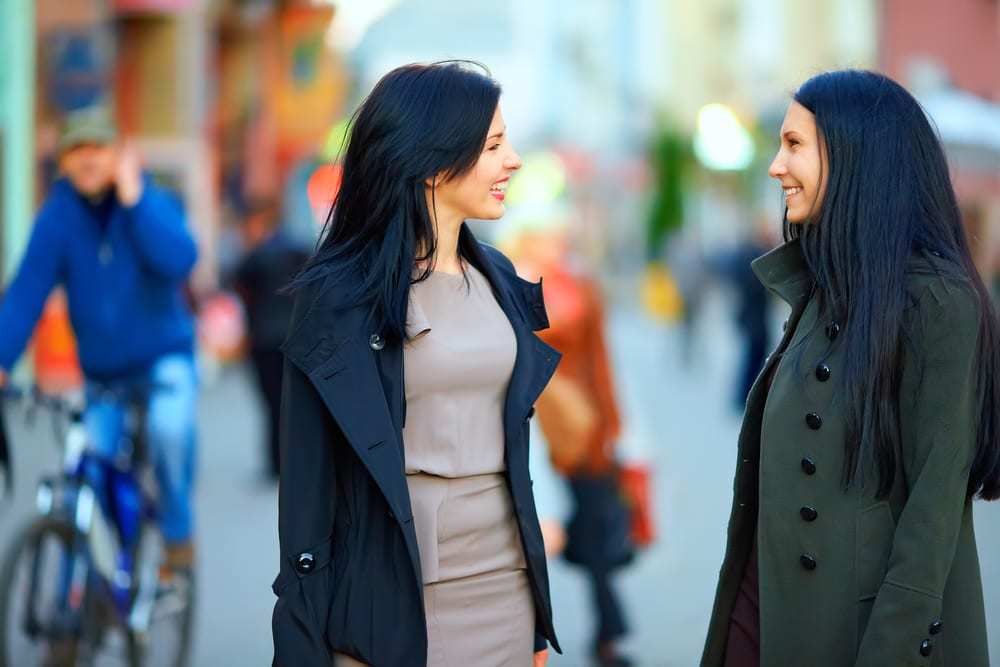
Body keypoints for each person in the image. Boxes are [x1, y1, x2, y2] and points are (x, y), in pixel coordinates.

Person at [702, 70, 1000, 667]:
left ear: (856, 155)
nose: (775, 166)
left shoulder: (938, 302)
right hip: (765, 612)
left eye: (793, 145)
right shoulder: (823, 289)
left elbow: (932, 517)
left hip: (860, 634)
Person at [271, 62, 561, 667]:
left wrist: (536, 624)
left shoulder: (500, 281)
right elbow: (307, 491)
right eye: (493, 146)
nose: (513, 161)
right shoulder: (339, 300)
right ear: (432, 164)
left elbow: (513, 445)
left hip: (504, 593)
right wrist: (307, 643)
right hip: (397, 602)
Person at [0, 107, 200, 572]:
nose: (88, 159)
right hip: (103, 375)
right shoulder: (57, 219)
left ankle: (176, 533)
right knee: (85, 482)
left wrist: (136, 201)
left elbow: (180, 261)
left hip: (162, 361)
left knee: (170, 431)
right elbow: (26, 292)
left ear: (119, 154)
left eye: (98, 148)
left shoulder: (152, 202)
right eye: (76, 150)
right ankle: (76, 616)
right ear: (63, 162)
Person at [508, 206, 634, 667]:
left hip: (584, 435)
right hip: (529, 431)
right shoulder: (506, 284)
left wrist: (616, 427)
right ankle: (526, 638)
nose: (556, 243)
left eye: (559, 235)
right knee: (526, 544)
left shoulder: (580, 286)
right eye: (546, 234)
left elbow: (602, 361)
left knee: (600, 536)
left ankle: (609, 634)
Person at [232, 197, 310, 481]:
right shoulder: (299, 250)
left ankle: (276, 461)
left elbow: (237, 286)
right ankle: (294, 459)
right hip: (296, 338)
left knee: (271, 404)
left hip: (264, 339)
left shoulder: (254, 257)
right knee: (293, 403)